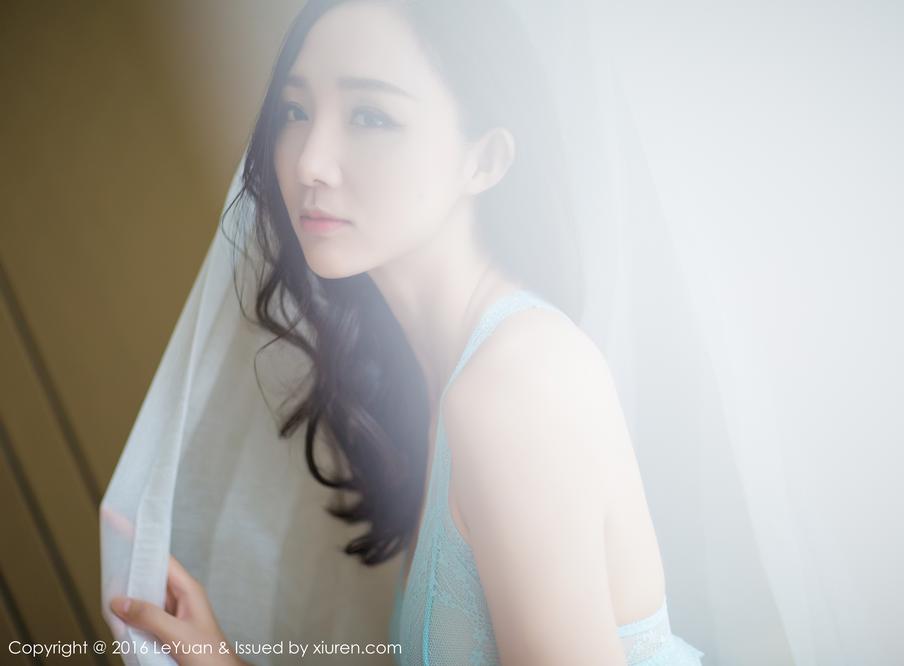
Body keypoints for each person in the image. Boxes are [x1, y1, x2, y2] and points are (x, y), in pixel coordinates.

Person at [109, 0, 704, 664]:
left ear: (484, 160)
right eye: (295, 111)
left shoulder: (513, 386)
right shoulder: (432, 379)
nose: (309, 162)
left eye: (370, 116)